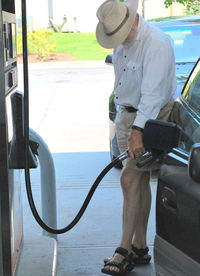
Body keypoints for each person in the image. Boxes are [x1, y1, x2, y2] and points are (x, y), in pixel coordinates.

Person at [95, 0, 176, 275]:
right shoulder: (122, 42)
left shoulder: (156, 43)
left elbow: (153, 95)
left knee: (128, 178)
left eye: (122, 33)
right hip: (126, 114)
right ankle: (140, 247)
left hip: (151, 118)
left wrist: (138, 131)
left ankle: (123, 249)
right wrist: (125, 123)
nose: (119, 40)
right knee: (138, 181)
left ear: (133, 21)